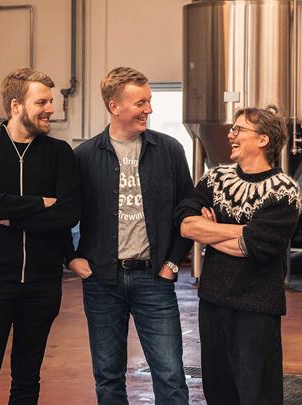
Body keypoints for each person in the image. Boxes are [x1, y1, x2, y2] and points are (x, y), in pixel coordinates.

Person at [66, 67, 193, 404]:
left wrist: (172, 263)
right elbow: (61, 213)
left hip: (154, 278)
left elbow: (187, 210)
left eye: (149, 101)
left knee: (170, 375)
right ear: (114, 106)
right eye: (140, 103)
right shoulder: (84, 157)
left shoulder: (169, 150)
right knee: (108, 377)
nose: (149, 109)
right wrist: (71, 257)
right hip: (102, 281)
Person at [0, 68, 80, 404]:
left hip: (43, 284)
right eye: (41, 102)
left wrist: (9, 217)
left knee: (27, 380)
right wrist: (41, 203)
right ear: (16, 106)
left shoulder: (60, 153)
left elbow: (68, 213)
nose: (50, 109)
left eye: (51, 101)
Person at [176, 107, 301, 404]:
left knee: (257, 393)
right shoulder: (215, 179)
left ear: (262, 140)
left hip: (256, 306)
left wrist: (210, 231)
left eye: (238, 130)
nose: (230, 135)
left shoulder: (284, 191)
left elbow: (255, 247)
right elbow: (185, 224)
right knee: (218, 390)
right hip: (213, 301)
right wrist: (239, 231)